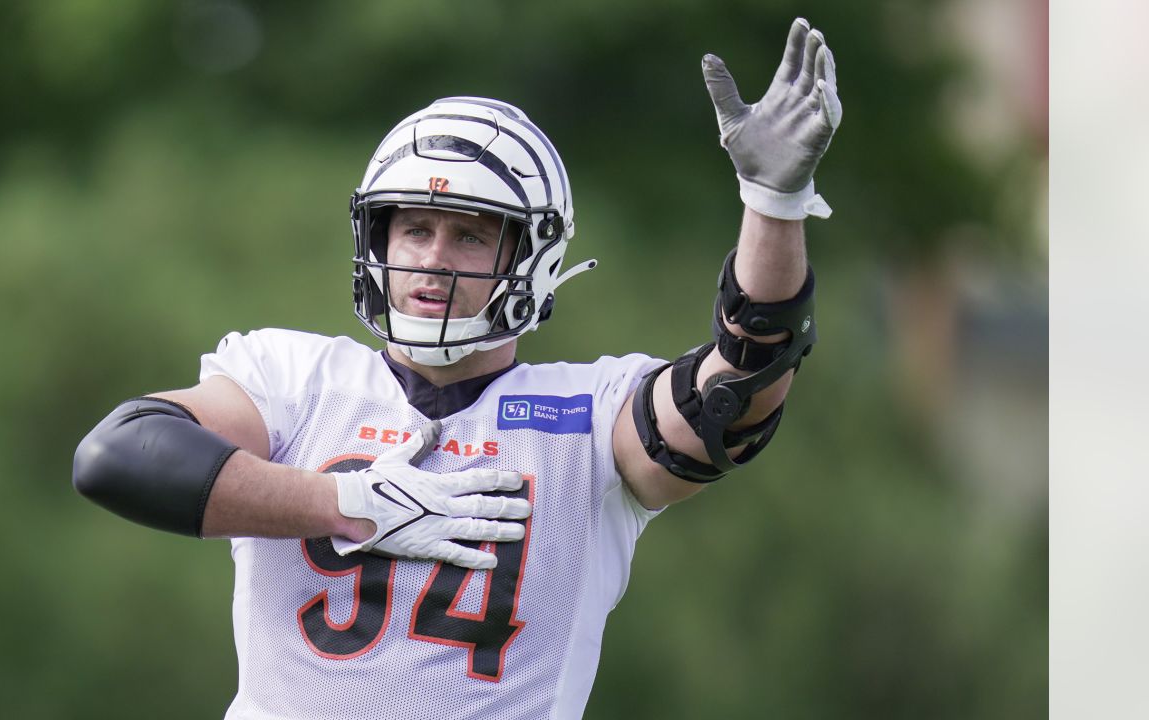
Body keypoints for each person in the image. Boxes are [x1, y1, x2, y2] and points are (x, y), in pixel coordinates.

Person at [73, 18, 840, 720]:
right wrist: (347, 501)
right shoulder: (291, 379)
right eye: (414, 228)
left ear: (532, 255)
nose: (434, 258)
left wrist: (773, 202)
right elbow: (118, 455)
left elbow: (736, 395)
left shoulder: (588, 414)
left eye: (471, 236)